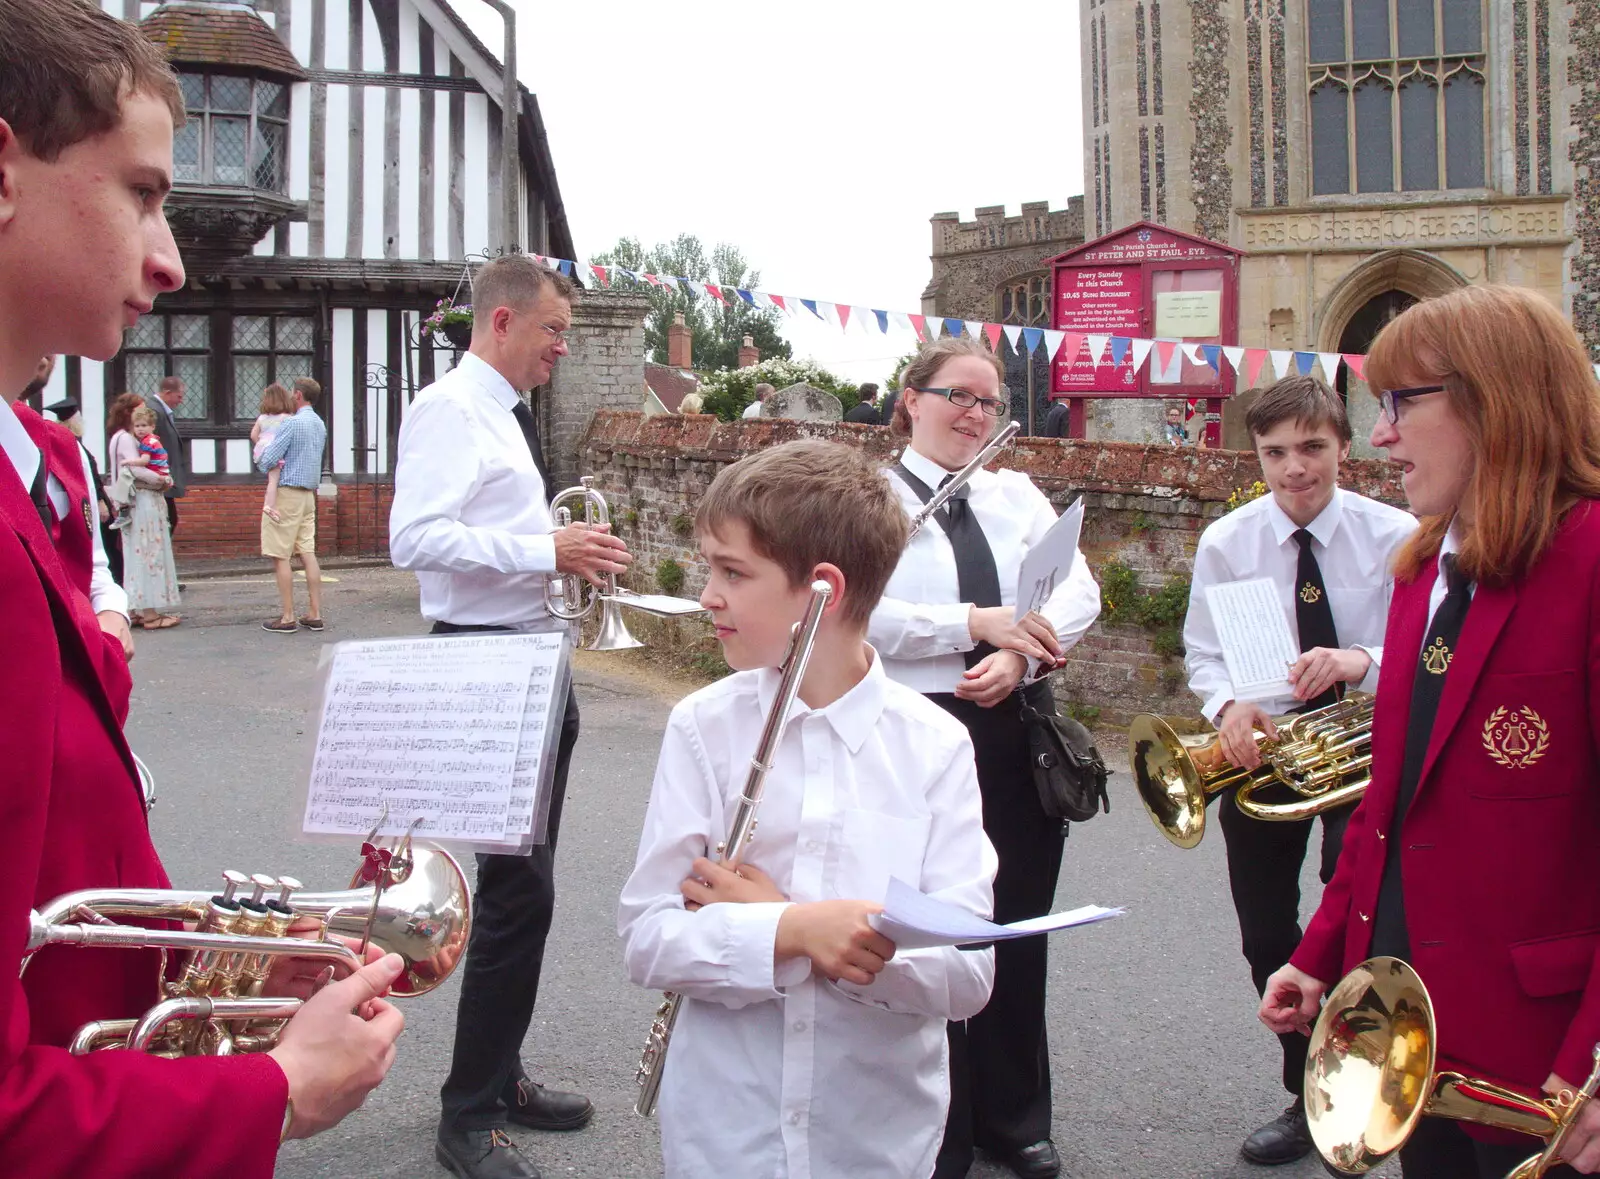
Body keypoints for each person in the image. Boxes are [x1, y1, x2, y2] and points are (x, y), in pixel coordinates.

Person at [0, 1, 407, 1173]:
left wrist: (197, 970)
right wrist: (267, 1093)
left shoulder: (42, 469)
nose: (171, 256)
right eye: (139, 192)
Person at [1260, 286, 1600, 1179]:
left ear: (1496, 399)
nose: (1380, 436)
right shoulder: (1422, 568)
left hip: (1551, 1059)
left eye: (1403, 403)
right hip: (1411, 1039)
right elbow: (1391, 805)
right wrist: (1320, 953)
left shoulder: (1594, 558)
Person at [618, 438, 998, 1179]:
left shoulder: (935, 745)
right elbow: (648, 938)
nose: (707, 594)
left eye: (733, 571)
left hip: (876, 1138)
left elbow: (967, 973)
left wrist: (805, 927)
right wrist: (792, 930)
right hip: (727, 1130)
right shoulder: (704, 727)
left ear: (821, 587)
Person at [390, 254, 633, 1179]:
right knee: (515, 892)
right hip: (486, 661)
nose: (561, 349)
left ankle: (502, 1071)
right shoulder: (449, 409)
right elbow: (413, 535)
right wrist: (546, 545)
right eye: (554, 331)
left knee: (524, 891)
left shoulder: (502, 411)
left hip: (532, 657)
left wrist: (556, 560)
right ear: (501, 323)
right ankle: (468, 1115)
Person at [868, 336, 1103, 1179]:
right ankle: (940, 1127)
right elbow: (860, 615)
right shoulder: (871, 499)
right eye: (956, 396)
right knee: (928, 936)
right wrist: (972, 624)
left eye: (989, 402)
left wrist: (1022, 654)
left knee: (1011, 927)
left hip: (1013, 729)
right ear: (911, 399)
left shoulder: (1014, 494)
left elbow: (1082, 588)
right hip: (912, 728)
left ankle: (1014, 1117)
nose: (974, 415)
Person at [1184, 374, 1417, 1165]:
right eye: (1276, 451)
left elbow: (1425, 650)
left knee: (1356, 924)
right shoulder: (1228, 542)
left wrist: (1359, 658)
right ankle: (1305, 1088)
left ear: (1343, 448)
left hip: (1365, 752)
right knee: (1264, 934)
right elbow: (1205, 655)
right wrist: (1227, 710)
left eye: (1313, 448)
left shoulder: (1396, 534)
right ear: (1257, 453)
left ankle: (1362, 1090)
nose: (1295, 468)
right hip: (1269, 756)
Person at [255, 377, 327, 633]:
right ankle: (315, 612)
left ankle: (287, 616)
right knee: (307, 552)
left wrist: (262, 455)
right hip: (309, 494)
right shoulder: (319, 424)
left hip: (286, 493)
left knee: (280, 554)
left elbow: (269, 458)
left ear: (298, 395)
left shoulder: (292, 424)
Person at [108, 400, 181, 630]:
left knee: (134, 555)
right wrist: (164, 481)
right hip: (144, 503)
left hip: (131, 504)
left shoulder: (117, 437)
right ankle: (150, 614)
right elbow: (137, 470)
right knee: (150, 552)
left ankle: (134, 609)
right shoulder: (128, 439)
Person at [45, 391, 124, 588]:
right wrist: (99, 502)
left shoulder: (75, 442)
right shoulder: (69, 444)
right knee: (105, 545)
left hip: (94, 499)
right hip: (89, 502)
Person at [147, 372, 187, 533]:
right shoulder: (154, 411)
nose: (181, 401)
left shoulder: (161, 411)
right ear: (167, 393)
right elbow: (148, 444)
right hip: (159, 479)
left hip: (164, 478)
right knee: (168, 520)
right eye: (179, 396)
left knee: (169, 520)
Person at [251, 382, 295, 523]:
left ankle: (270, 505)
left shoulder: (262, 418)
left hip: (262, 450)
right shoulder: (286, 418)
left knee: (271, 479)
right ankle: (270, 506)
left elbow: (253, 435)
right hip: (275, 451)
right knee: (273, 481)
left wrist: (262, 443)